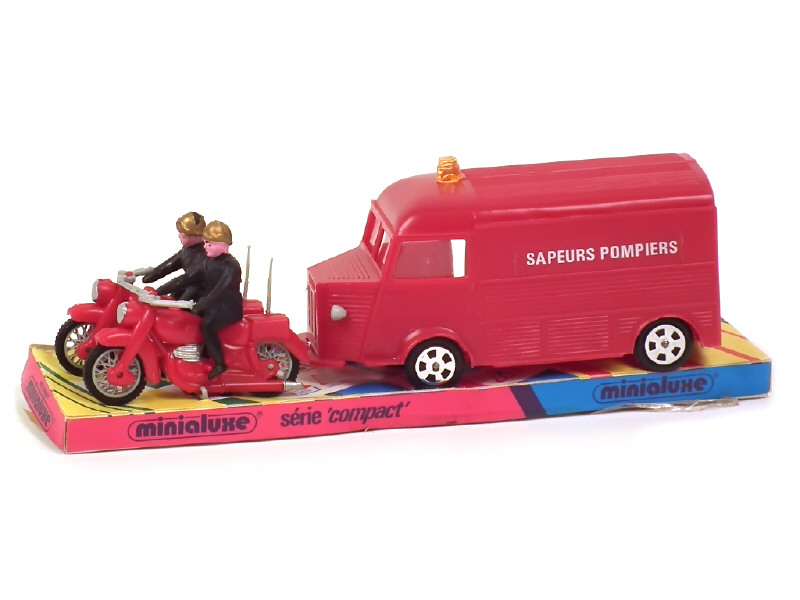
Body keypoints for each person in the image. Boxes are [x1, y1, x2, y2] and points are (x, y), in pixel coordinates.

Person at [191, 221, 243, 379]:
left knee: (207, 325)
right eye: (205, 242)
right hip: (214, 305)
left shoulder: (231, 267)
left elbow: (219, 291)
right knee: (188, 318)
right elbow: (189, 277)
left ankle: (220, 363)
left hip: (228, 308)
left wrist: (202, 304)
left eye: (209, 243)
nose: (205, 246)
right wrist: (161, 291)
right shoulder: (208, 261)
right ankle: (197, 354)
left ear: (223, 245)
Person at [143, 211, 207, 301]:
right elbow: (169, 265)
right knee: (174, 295)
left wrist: (159, 291)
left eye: (184, 236)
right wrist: (149, 276)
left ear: (198, 236)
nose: (179, 236)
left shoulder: (203, 255)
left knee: (182, 301)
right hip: (189, 283)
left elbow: (186, 278)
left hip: (201, 289)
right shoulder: (187, 250)